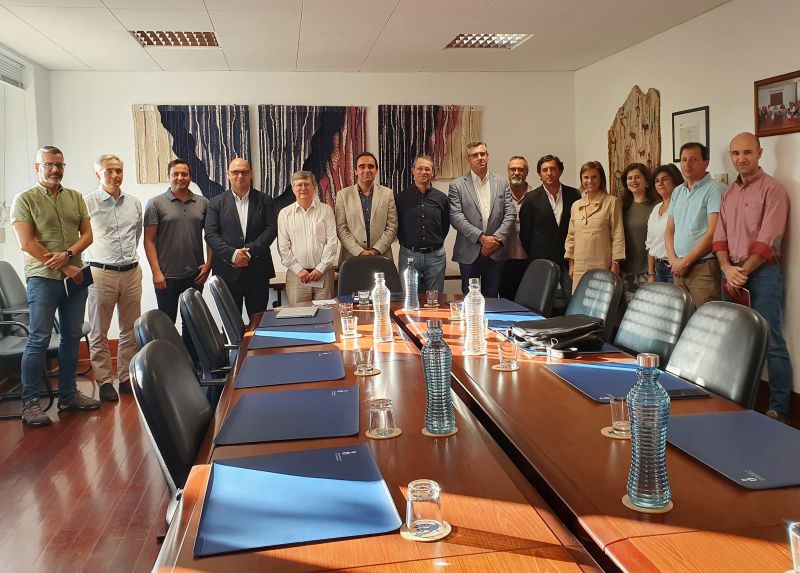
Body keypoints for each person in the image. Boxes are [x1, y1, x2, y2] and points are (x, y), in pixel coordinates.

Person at [11, 146, 101, 426]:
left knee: (72, 336)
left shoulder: (75, 197)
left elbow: (87, 235)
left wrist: (70, 255)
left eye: (59, 165)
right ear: (37, 167)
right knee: (38, 338)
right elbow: (26, 243)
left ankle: (68, 395)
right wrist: (64, 265)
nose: (55, 170)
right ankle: (30, 404)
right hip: (43, 279)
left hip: (75, 278)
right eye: (49, 164)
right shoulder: (24, 199)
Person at [713, 132, 793, 423]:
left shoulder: (774, 190)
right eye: (736, 153)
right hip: (731, 273)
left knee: (772, 341)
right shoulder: (728, 193)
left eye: (747, 152)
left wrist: (743, 271)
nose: (741, 158)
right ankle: (735, 400)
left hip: (763, 274)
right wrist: (727, 269)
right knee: (734, 339)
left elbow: (769, 239)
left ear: (759, 154)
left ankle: (779, 409)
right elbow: (719, 235)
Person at [83, 154, 142, 402]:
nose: (115, 175)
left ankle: (126, 377)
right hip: (100, 273)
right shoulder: (86, 204)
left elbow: (136, 235)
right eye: (109, 171)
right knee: (99, 331)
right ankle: (105, 381)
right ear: (98, 173)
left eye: (118, 170)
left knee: (130, 329)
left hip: (131, 272)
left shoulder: (134, 203)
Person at [143, 159, 212, 362]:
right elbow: (148, 240)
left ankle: (193, 364)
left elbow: (210, 236)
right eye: (176, 174)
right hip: (166, 275)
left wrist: (209, 264)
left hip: (195, 274)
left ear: (190, 177)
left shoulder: (203, 203)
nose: (180, 178)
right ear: (169, 176)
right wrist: (156, 271)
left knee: (192, 321)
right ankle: (169, 364)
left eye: (184, 174)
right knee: (166, 322)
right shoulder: (155, 203)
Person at [204, 158, 277, 318]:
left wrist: (248, 253)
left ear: (251, 174)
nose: (240, 176)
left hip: (258, 271)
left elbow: (271, 230)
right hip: (227, 272)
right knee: (231, 321)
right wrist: (233, 254)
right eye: (235, 172)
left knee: (259, 321)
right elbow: (210, 234)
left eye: (244, 172)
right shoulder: (215, 203)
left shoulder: (265, 200)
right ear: (228, 175)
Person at [449, 141, 515, 297]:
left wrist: (496, 239)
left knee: (492, 297)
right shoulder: (457, 185)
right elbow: (456, 216)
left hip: (496, 250)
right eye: (475, 155)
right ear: (468, 159)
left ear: (487, 156)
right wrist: (481, 238)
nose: (480, 158)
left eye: (482, 154)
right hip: (468, 250)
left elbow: (510, 214)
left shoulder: (501, 183)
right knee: (470, 298)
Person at [665, 142, 724, 308]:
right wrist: (674, 261)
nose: (687, 164)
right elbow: (669, 230)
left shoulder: (715, 189)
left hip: (703, 267)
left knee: (705, 318)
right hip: (678, 268)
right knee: (681, 317)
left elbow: (713, 233)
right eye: (683, 160)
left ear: (706, 162)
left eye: (693, 159)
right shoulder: (677, 191)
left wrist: (685, 262)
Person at [518, 154, 581, 303]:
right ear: (539, 175)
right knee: (542, 302)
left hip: (569, 260)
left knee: (573, 300)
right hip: (542, 260)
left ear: (560, 171)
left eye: (553, 169)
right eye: (544, 170)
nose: (549, 173)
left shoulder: (574, 195)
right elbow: (525, 234)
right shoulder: (531, 198)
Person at [278, 171, 339, 303]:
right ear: (293, 189)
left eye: (307, 184)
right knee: (299, 313)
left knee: (325, 312)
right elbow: (283, 247)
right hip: (297, 276)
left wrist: (320, 269)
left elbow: (332, 242)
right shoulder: (285, 214)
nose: (303, 188)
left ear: (314, 187)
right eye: (299, 185)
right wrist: (299, 270)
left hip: (323, 274)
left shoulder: (326, 210)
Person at [564, 161, 625, 291]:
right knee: (580, 300)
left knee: (601, 300)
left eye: (594, 177)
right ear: (581, 180)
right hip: (580, 267)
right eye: (586, 177)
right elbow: (571, 236)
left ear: (601, 179)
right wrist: (571, 263)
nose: (590, 181)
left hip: (603, 265)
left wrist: (615, 263)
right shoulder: (576, 205)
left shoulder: (612, 202)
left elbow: (618, 234)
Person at [396, 155, 449, 292]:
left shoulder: (442, 198)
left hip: (436, 257)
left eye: (427, 169)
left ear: (432, 172)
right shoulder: (401, 198)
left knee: (435, 299)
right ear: (413, 170)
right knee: (410, 299)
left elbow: (445, 226)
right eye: (419, 168)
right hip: (409, 255)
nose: (423, 172)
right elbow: (397, 225)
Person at [335, 152, 397, 265]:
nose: (367, 170)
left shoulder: (387, 194)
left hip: (381, 256)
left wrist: (376, 249)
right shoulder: (343, 195)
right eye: (362, 166)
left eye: (371, 166)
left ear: (376, 171)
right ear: (355, 171)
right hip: (351, 257)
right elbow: (341, 228)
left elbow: (392, 226)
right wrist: (359, 251)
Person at [620, 163, 658, 298]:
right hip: (627, 271)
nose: (633, 181)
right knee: (630, 309)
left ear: (647, 182)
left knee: (649, 307)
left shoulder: (657, 205)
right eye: (630, 178)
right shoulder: (622, 206)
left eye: (637, 177)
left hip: (648, 269)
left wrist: (652, 272)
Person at [499, 156, 533, 299]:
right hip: (504, 258)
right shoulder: (499, 195)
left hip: (529, 258)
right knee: (506, 298)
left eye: (521, 169)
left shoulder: (535, 196)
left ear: (527, 172)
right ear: (508, 171)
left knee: (528, 299)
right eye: (513, 169)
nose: (517, 172)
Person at [646, 164, 684, 283]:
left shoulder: (682, 206)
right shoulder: (656, 208)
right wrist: (651, 272)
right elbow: (651, 243)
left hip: (675, 267)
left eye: (665, 179)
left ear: (675, 182)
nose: (660, 183)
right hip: (658, 268)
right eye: (657, 181)